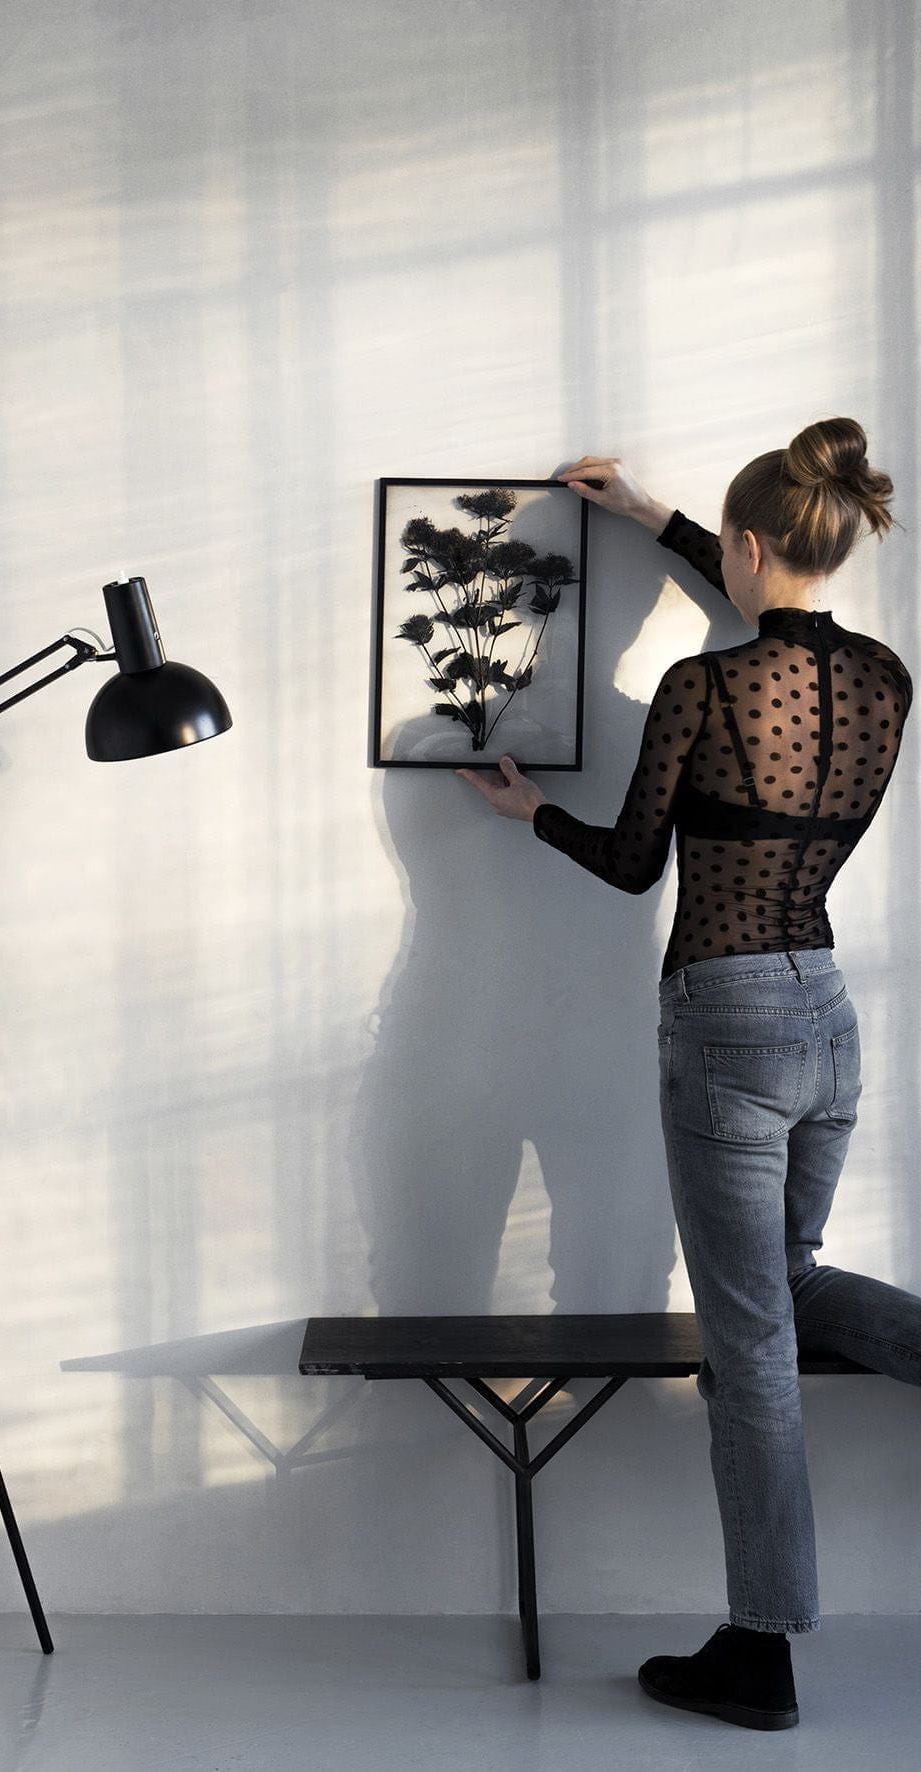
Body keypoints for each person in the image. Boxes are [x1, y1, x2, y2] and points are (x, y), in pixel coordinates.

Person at [458, 417, 920, 1731]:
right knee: (790, 1287)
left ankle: (760, 1653)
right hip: (828, 1015)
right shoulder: (887, 678)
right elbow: (777, 615)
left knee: (751, 1342)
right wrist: (654, 515)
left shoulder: (699, 690)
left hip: (726, 1021)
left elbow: (631, 866)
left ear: (749, 543)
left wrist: (529, 813)